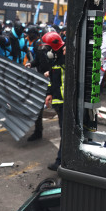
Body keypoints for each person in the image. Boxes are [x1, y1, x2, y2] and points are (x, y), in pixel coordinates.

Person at [42, 32, 66, 171]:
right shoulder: (54, 58)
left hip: (66, 101)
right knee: (64, 131)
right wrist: (49, 93)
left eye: (48, 46)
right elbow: (53, 79)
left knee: (65, 132)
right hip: (58, 100)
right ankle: (61, 160)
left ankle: (61, 161)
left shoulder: (66, 55)